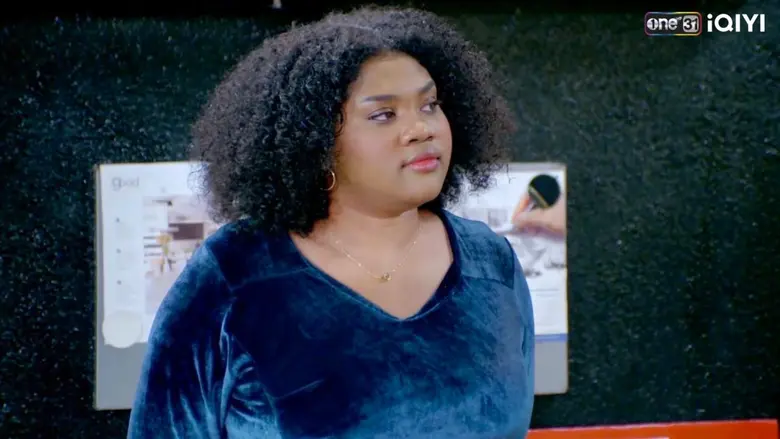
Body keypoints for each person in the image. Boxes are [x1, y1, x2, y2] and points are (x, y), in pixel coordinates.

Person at [127, 6, 535, 439]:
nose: (421, 129)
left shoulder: (491, 262)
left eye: (430, 105)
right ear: (317, 142)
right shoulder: (234, 273)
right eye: (383, 114)